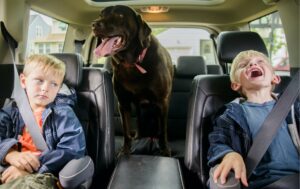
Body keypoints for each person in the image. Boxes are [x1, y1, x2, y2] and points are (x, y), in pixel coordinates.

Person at [207, 50, 300, 189]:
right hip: (261, 183)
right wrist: (229, 154)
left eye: (260, 62)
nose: (252, 63)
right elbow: (218, 142)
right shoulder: (231, 115)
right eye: (243, 65)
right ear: (236, 84)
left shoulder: (294, 107)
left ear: (275, 78)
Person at [0, 54, 86, 188]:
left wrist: (32, 167)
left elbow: (72, 150)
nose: (46, 88)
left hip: (42, 173)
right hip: (7, 167)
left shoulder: (63, 114)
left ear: (58, 89)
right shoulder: (12, 110)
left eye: (54, 84)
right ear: (23, 81)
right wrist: (10, 154)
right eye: (39, 80)